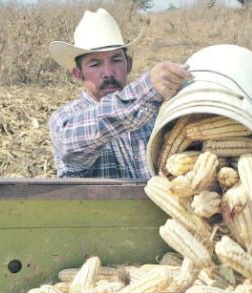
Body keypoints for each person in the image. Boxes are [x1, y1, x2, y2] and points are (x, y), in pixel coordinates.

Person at [48, 8, 192, 179]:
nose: (108, 73)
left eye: (116, 60)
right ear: (79, 74)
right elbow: (73, 142)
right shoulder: (64, 119)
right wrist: (148, 87)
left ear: (128, 64)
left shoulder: (158, 114)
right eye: (95, 64)